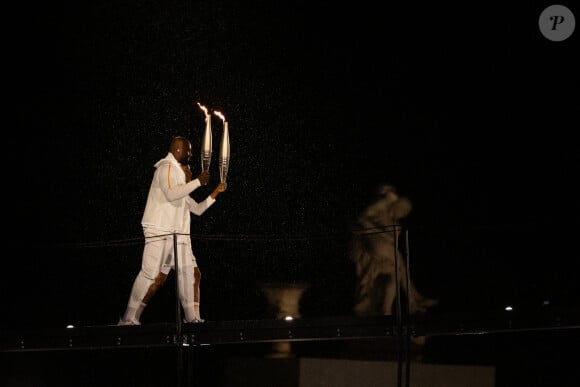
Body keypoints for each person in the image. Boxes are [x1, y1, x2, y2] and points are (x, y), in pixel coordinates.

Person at [118, 136, 227, 325]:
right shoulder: (165, 168)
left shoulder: (182, 189)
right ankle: (128, 318)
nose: (191, 155)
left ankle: (192, 319)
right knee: (151, 275)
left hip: (177, 236)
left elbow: (197, 209)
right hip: (159, 230)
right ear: (177, 150)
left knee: (192, 273)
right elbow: (170, 194)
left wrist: (216, 192)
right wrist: (198, 182)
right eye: (189, 150)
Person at [350, 184, 437, 316]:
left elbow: (391, 236)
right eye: (403, 211)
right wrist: (376, 230)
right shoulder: (382, 204)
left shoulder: (390, 218)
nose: (402, 215)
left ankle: (393, 308)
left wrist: (385, 233)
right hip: (375, 244)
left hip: (380, 247)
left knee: (396, 275)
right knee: (400, 263)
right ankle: (414, 299)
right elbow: (362, 218)